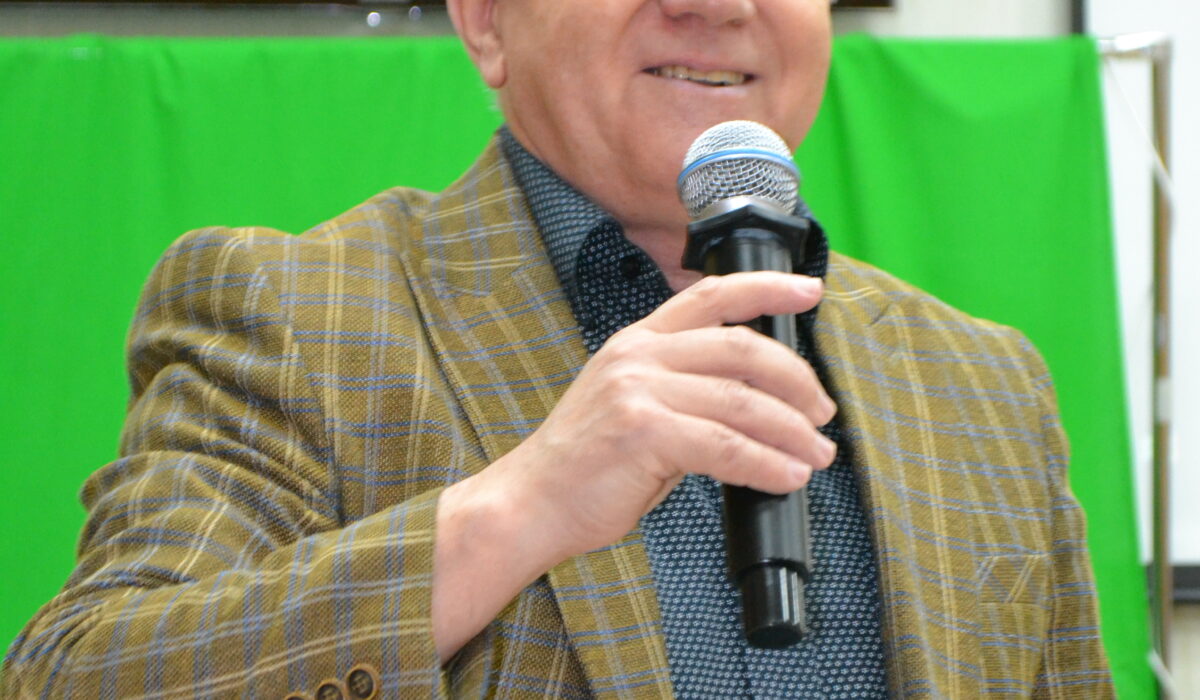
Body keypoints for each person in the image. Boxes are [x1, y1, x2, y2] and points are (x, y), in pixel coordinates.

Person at [3, 0, 1114, 697]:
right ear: (485, 21)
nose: (716, 6)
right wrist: (519, 507)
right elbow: (81, 675)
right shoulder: (296, 313)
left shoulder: (983, 382)